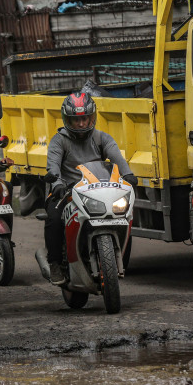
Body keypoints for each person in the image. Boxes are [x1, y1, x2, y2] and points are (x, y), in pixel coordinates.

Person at [45, 91, 136, 285]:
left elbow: (117, 157)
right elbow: (53, 165)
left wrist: (128, 174)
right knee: (53, 218)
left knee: (124, 217)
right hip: (67, 191)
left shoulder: (101, 137)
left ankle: (120, 257)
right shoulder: (59, 141)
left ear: (91, 117)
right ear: (67, 119)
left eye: (85, 119)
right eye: (76, 120)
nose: (81, 124)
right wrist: (57, 183)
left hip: (98, 190)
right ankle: (54, 264)